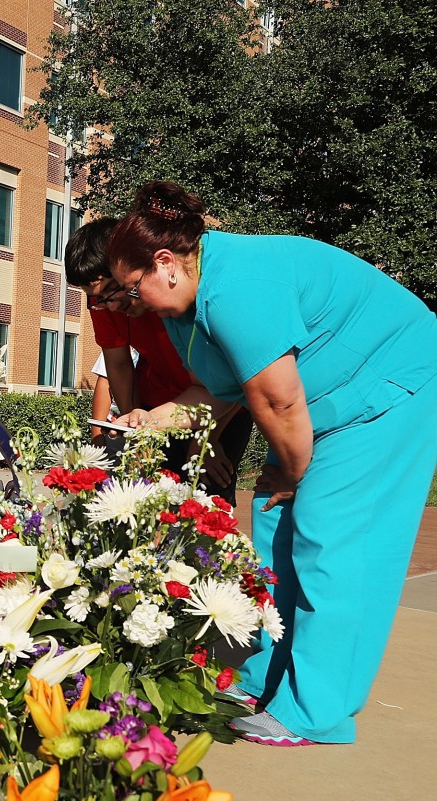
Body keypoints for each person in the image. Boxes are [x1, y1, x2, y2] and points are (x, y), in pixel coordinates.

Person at [107, 181, 437, 746]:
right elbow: (223, 391)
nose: (128, 304)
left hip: (390, 387)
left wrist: (291, 468)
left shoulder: (237, 286)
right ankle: (263, 679)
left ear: (165, 264)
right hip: (332, 402)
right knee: (270, 523)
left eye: (131, 289)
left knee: (333, 537)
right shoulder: (185, 307)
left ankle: (316, 712)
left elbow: (279, 400)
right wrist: (157, 416)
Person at [66, 218, 251, 502]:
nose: (107, 306)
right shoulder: (104, 305)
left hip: (224, 407)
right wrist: (134, 428)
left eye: (110, 292)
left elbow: (236, 374)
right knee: (147, 500)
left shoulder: (173, 296)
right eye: (95, 299)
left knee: (205, 496)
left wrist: (204, 440)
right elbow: (118, 364)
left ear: (126, 268)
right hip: (157, 403)